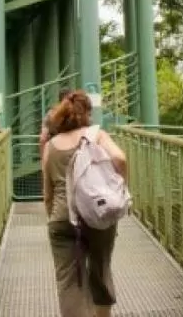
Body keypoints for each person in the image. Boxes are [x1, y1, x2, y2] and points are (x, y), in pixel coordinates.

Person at [43, 90, 127, 317]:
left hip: (62, 217)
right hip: (96, 212)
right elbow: (120, 159)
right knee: (100, 269)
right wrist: (121, 189)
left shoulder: (51, 146)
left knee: (68, 281)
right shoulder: (96, 134)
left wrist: (52, 217)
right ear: (87, 112)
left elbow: (47, 193)